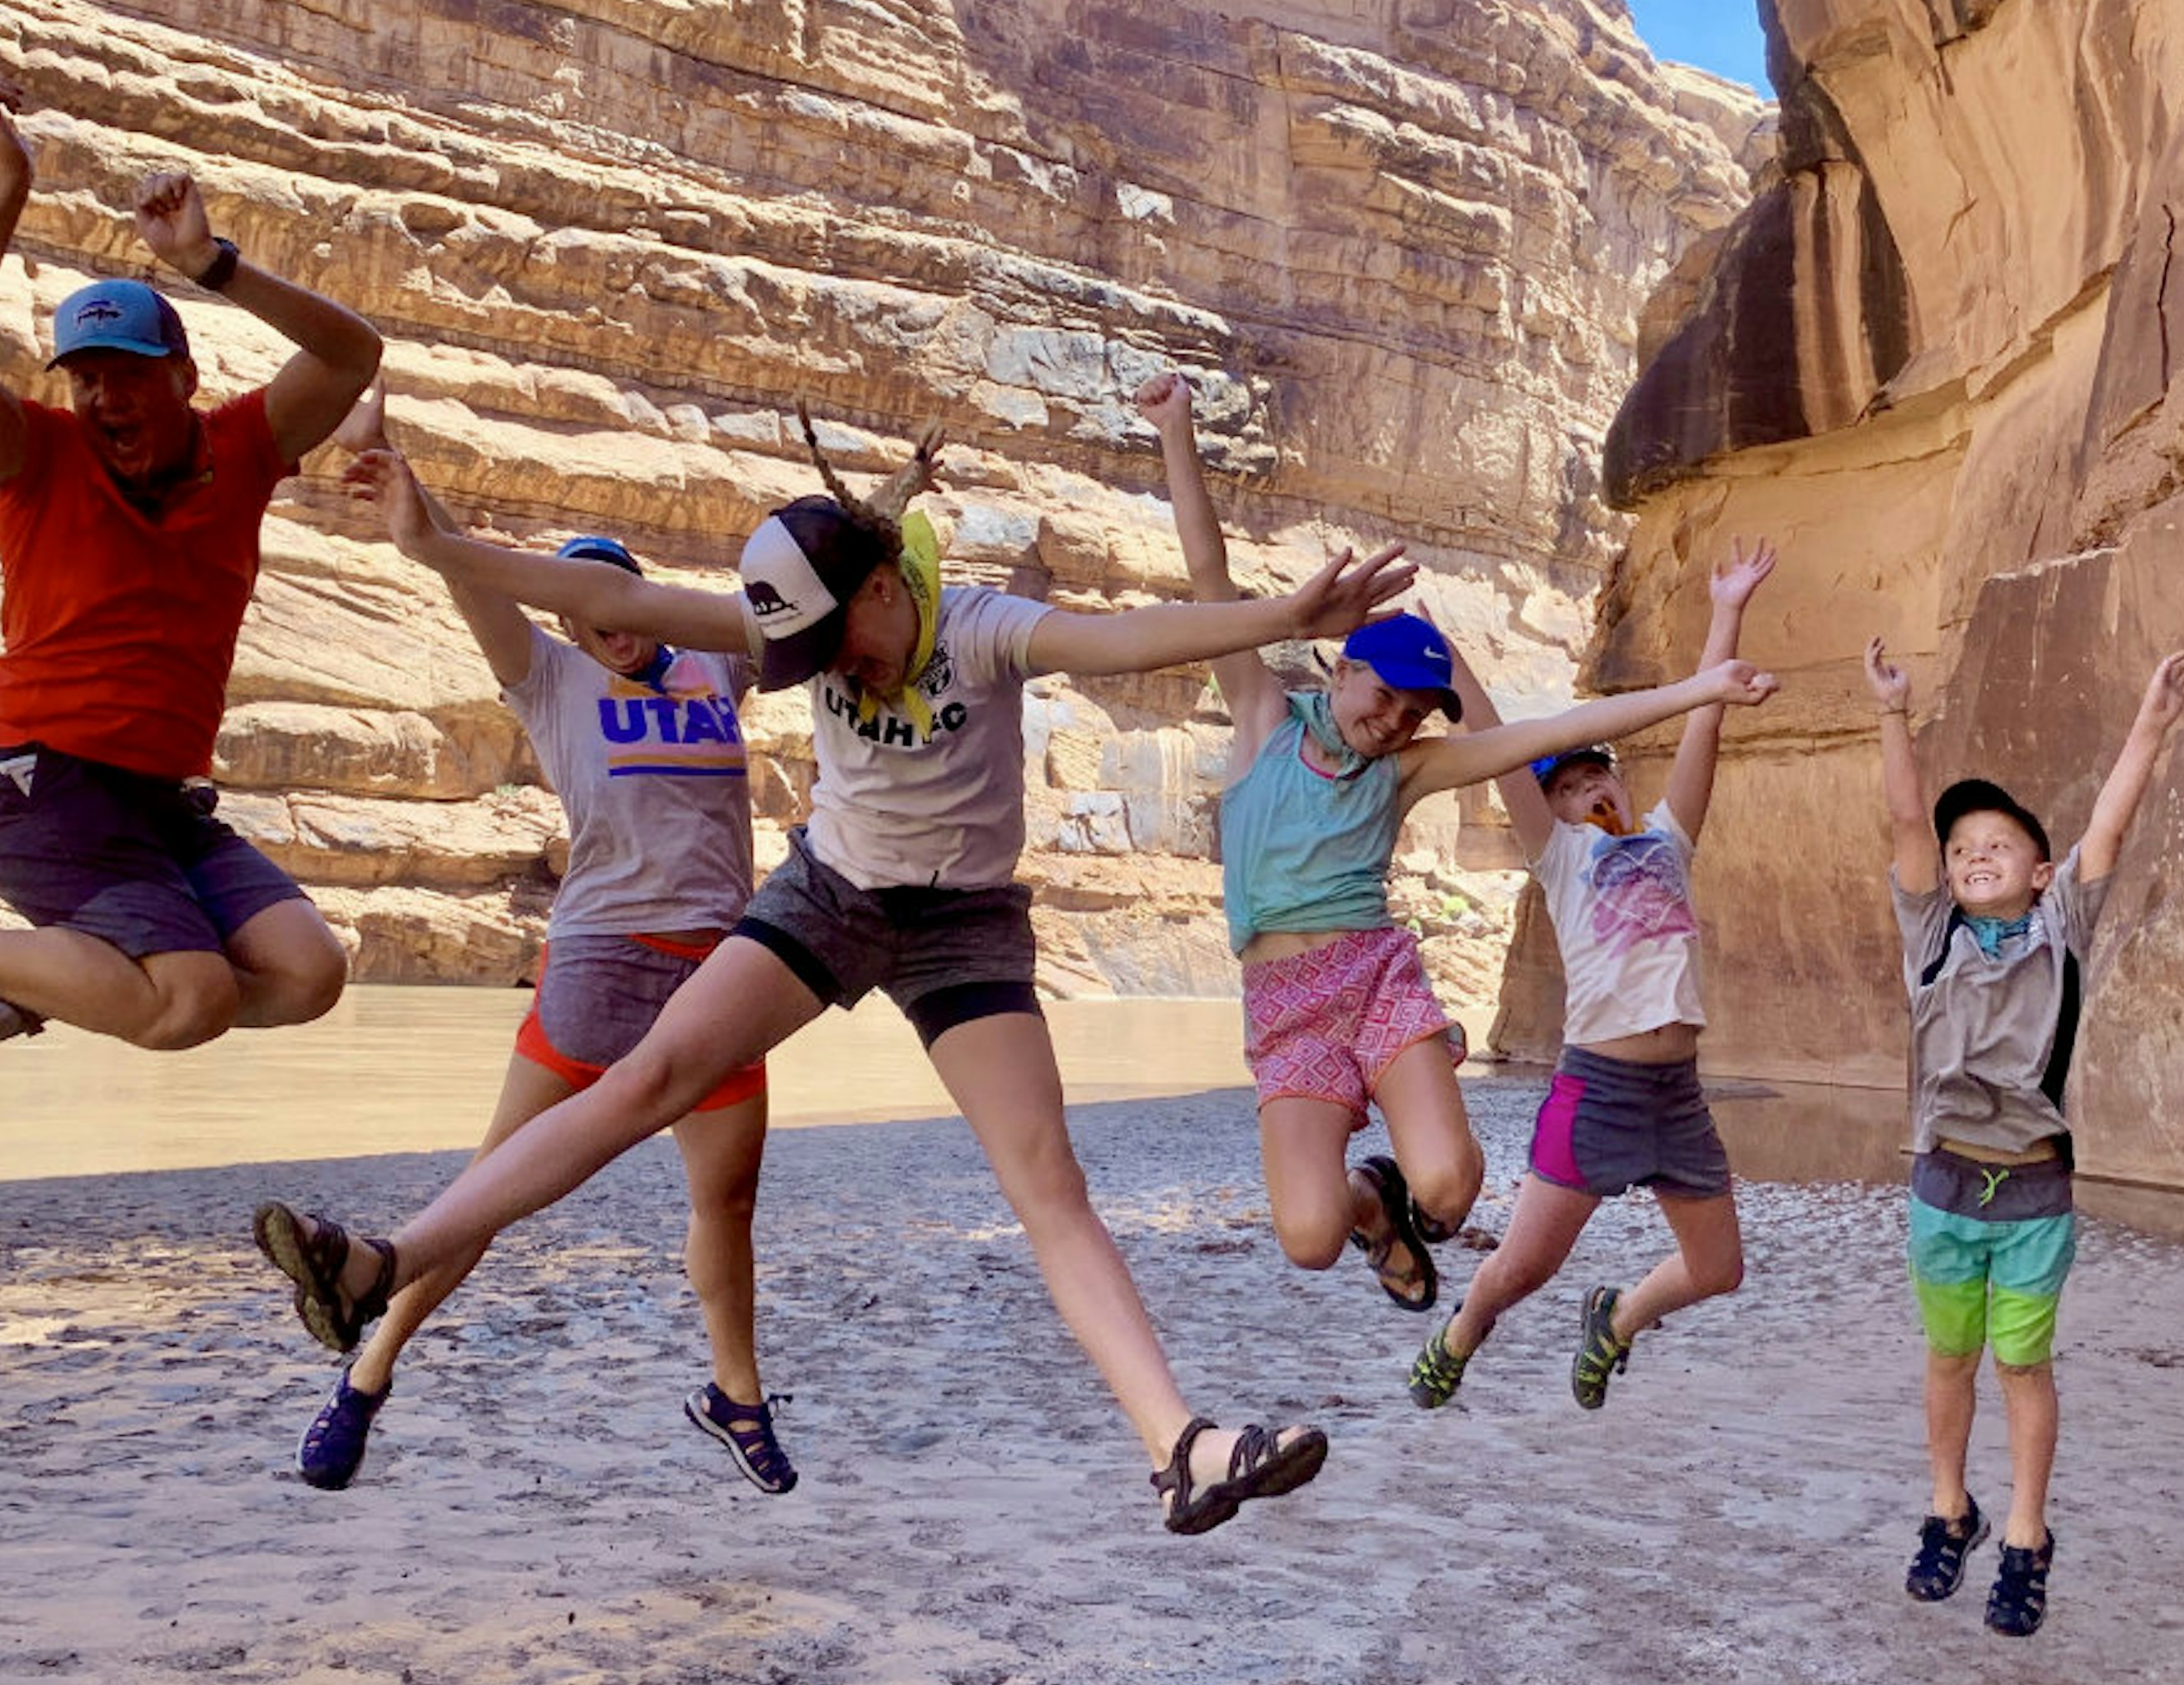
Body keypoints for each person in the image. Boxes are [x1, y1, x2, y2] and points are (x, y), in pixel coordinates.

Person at [252, 422, 1418, 1532]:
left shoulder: (982, 631)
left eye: (839, 643)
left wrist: (1284, 614)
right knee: (655, 1073)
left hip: (964, 926)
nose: (830, 672)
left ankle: (1179, 1448)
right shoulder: (795, 623)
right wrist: (431, 543)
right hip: (834, 896)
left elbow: (1128, 638)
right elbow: (610, 600)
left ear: (878, 589)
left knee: (1047, 1182)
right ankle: (382, 1265)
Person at [0, 68, 381, 1083]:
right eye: (85, 378)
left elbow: (353, 354)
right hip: (38, 779)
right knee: (190, 999)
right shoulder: (37, 455)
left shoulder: (245, 448)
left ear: (184, 379)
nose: (103, 397)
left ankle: (50, 977)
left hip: (161, 798)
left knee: (309, 975)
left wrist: (211, 264)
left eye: (129, 374)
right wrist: (6, 188)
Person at [1141, 367, 1775, 1311]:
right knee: (1309, 1241)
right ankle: (1361, 1207)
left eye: (1415, 711)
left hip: (1375, 975)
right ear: (1341, 666)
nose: (1394, 720)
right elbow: (1209, 579)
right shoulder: (1264, 718)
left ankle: (1394, 1178)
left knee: (1448, 1188)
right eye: (1383, 694)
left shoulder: (1408, 768)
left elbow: (1549, 733)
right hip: (1284, 1005)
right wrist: (1175, 433)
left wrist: (1702, 690)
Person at [254, 397, 786, 1495]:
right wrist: (411, 488)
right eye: (589, 611)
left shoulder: (712, 670)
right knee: (496, 1188)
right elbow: (469, 576)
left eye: (623, 599)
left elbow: (812, 613)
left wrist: (897, 513)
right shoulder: (550, 679)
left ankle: (736, 1396)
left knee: (726, 1205)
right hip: (599, 961)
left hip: (720, 972)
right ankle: (368, 1377)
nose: (614, 624)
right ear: (572, 626)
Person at [1865, 640, 2184, 1637]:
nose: (1975, 852)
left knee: (2022, 1365)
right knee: (1947, 1356)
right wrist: (1892, 716)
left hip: (2032, 1194)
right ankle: (1947, 1507)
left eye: (1999, 843)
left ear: (2040, 870)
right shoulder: (1931, 935)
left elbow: (2111, 822)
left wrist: (2150, 725)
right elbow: (1901, 820)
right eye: (1962, 844)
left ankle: (2024, 1533)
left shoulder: (2064, 929)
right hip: (1940, 1186)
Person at [1406, 539, 1778, 1412]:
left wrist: (1727, 609)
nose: (1588, 790)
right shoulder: (1560, 858)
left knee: (1718, 1269)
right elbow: (1496, 745)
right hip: (1599, 1092)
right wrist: (1450, 657)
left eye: (1597, 774)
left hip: (1678, 1096)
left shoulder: (1667, 843)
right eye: (1569, 786)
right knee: (1526, 1267)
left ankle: (1615, 1321)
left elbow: (1705, 721)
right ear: (1555, 810)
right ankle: (1461, 1332)